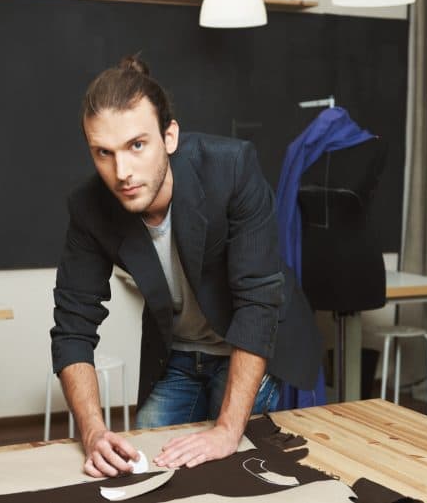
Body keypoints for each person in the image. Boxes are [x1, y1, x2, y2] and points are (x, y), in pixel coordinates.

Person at [50, 54, 321, 478]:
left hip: (246, 345)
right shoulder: (89, 207)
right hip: (177, 355)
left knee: (236, 470)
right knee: (143, 471)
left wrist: (228, 430)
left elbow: (257, 301)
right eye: (104, 153)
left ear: (169, 136)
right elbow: (72, 328)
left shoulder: (231, 168)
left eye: (137, 145)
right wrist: (94, 432)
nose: (122, 172)